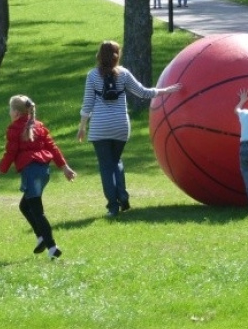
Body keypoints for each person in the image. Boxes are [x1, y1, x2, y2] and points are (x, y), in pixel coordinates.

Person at [78, 41, 182, 217]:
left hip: (100, 127)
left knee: (106, 166)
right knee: (116, 160)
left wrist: (82, 127)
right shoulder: (124, 74)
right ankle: (123, 197)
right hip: (120, 125)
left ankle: (112, 205)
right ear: (117, 56)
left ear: (99, 55)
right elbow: (144, 93)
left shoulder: (92, 76)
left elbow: (88, 105)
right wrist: (167, 90)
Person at [0, 95, 77, 260]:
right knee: (25, 206)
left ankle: (52, 247)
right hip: (44, 172)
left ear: (15, 112)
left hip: (31, 172)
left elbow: (10, 153)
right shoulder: (39, 126)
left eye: (10, 109)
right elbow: (53, 147)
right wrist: (64, 167)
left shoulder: (14, 129)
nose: (9, 112)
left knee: (37, 210)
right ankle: (41, 238)